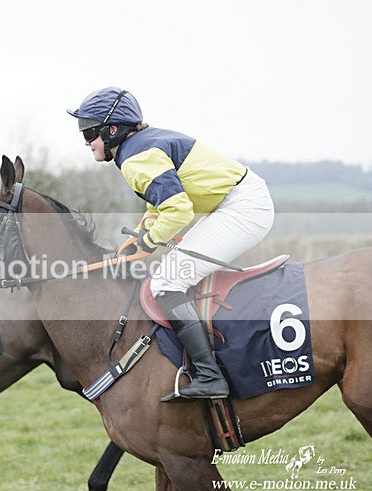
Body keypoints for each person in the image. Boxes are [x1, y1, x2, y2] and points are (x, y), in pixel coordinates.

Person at [67, 87, 275, 401]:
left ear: (112, 130)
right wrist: (139, 239)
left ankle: (210, 376)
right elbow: (160, 206)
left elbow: (178, 210)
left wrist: (149, 242)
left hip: (242, 207)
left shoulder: (137, 158)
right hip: (235, 202)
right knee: (170, 275)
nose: (86, 142)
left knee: (165, 283)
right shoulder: (137, 149)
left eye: (89, 132)